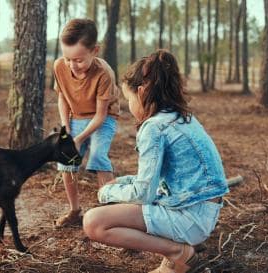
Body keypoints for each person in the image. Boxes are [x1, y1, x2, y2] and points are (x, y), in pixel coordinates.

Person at [82, 50, 229, 273]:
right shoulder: (180, 116)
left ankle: (177, 253)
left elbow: (144, 194)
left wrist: (106, 193)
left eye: (129, 99)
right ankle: (177, 255)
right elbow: (162, 179)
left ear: (141, 93)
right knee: (121, 198)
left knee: (94, 222)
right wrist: (122, 181)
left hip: (190, 218)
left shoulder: (154, 127)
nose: (129, 107)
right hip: (202, 212)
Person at [53, 18, 120, 227]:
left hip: (104, 117)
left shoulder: (104, 73)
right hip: (77, 117)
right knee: (66, 159)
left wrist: (80, 138)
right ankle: (74, 211)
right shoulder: (59, 66)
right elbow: (62, 97)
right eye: (68, 59)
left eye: (79, 60)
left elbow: (100, 116)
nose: (73, 65)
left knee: (99, 156)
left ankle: (113, 214)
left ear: (95, 51)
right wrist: (67, 129)